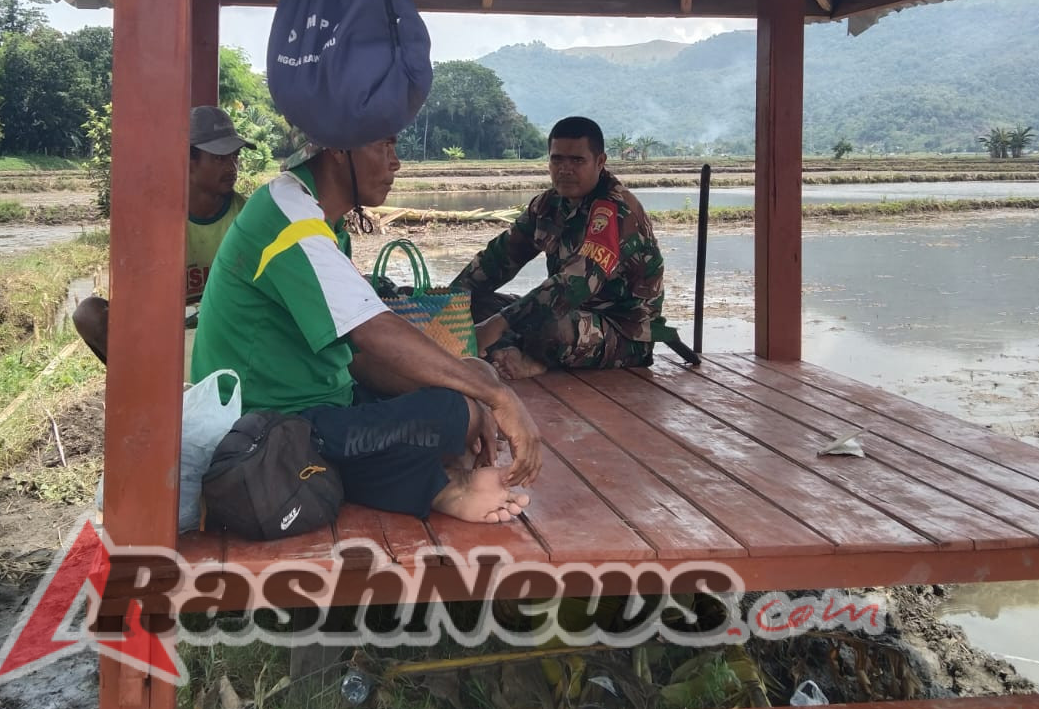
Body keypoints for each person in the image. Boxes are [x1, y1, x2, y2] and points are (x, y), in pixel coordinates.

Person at [190, 136, 541, 525]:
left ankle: (439, 483)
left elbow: (355, 359)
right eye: (383, 146)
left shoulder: (320, 220)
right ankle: (442, 484)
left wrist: (473, 383)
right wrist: (498, 398)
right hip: (263, 431)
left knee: (470, 379)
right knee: (453, 412)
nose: (396, 163)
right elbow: (372, 332)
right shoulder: (289, 221)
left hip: (323, 405)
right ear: (339, 147)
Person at [451, 116, 665, 380]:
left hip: (622, 331)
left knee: (550, 326)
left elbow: (574, 284)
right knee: (467, 304)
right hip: (566, 312)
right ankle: (512, 354)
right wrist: (447, 302)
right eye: (557, 159)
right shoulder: (547, 206)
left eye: (577, 161)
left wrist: (497, 325)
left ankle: (529, 358)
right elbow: (497, 260)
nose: (565, 169)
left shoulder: (614, 210)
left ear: (600, 162)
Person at [70, 105, 256, 365]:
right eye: (219, 158)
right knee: (88, 314)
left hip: (228, 328)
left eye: (235, 157)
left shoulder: (247, 215)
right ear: (189, 160)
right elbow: (137, 298)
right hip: (166, 328)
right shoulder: (158, 218)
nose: (231, 167)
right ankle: (138, 379)